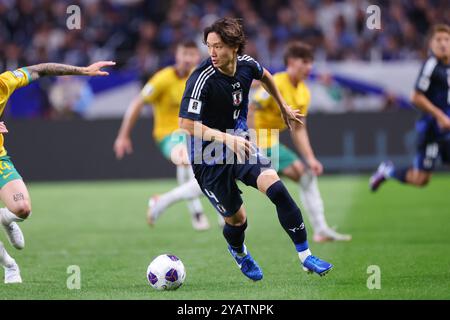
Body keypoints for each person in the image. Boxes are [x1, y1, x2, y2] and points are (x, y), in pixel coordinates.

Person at [179, 18, 332, 280]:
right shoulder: (201, 78)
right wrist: (227, 139)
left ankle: (306, 257)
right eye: (209, 46)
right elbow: (187, 125)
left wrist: (282, 105)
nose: (212, 53)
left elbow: (267, 76)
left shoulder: (247, 65)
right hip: (207, 157)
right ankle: (239, 252)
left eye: (218, 47)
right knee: (237, 221)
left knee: (277, 189)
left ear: (235, 47)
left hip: (240, 144)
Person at [0, 60, 115, 283]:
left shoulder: (4, 83)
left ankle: (5, 218)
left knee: (22, 209)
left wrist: (82, 70)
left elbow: (39, 70)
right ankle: (10, 265)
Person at [249, 41, 351, 243]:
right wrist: (252, 142)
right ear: (291, 62)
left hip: (269, 141)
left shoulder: (304, 92)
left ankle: (321, 229)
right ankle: (321, 230)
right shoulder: (275, 82)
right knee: (303, 177)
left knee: (305, 175)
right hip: (260, 141)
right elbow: (252, 108)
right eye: (304, 62)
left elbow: (299, 128)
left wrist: (311, 158)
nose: (309, 67)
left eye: (311, 62)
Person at [114, 41, 219, 231]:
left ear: (198, 57)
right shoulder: (162, 78)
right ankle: (197, 212)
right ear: (176, 55)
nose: (188, 59)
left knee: (219, 170)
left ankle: (213, 209)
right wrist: (123, 136)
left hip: (196, 134)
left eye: (192, 55)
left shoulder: (200, 78)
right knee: (186, 159)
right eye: (184, 54)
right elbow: (138, 103)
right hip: (169, 135)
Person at [370, 24, 450, 191]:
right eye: (438, 40)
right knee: (420, 179)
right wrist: (440, 116)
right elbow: (416, 97)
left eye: (447, 40)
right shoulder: (431, 65)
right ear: (431, 44)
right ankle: (388, 171)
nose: (443, 43)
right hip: (433, 130)